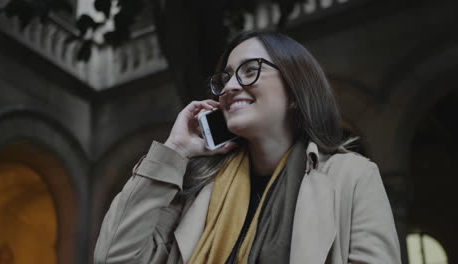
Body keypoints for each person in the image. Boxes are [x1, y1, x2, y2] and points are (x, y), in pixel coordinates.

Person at [93, 30, 402, 264]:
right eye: (225, 78)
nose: (229, 87)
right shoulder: (198, 189)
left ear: (295, 91)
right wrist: (175, 150)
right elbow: (113, 258)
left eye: (250, 70)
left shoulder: (351, 177)